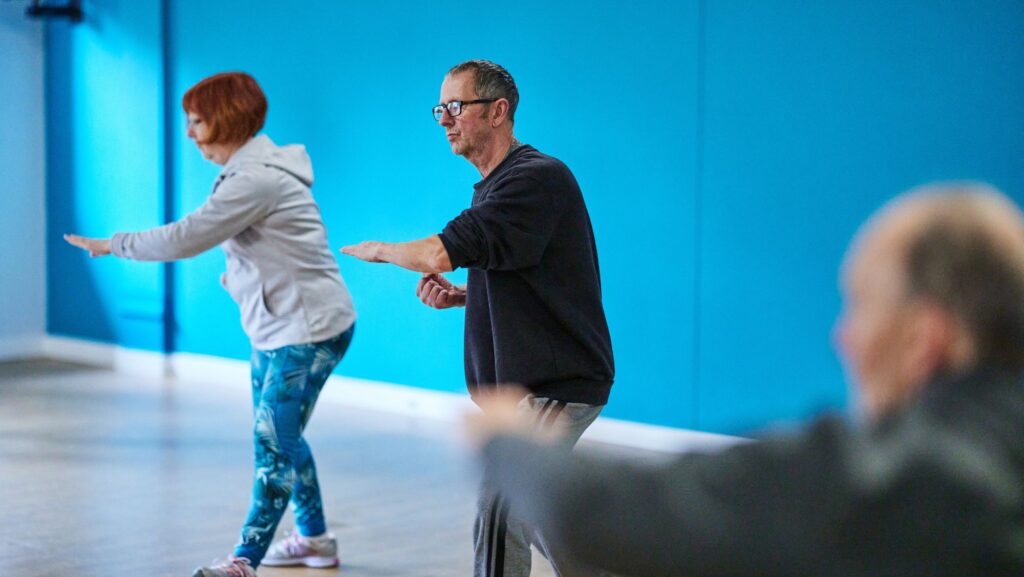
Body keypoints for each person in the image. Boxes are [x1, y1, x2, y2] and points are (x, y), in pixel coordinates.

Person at [465, 183, 1024, 576]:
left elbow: (605, 510)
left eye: (862, 307)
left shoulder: (906, 482)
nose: (843, 338)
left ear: (927, 337)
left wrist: (506, 440)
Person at [64, 71, 357, 577]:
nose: (189, 132)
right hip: (278, 325)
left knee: (273, 442)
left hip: (308, 329)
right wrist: (240, 279)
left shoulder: (256, 178)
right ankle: (314, 540)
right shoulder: (248, 174)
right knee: (280, 436)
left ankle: (244, 560)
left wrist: (114, 244)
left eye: (196, 121)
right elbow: (267, 248)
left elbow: (187, 236)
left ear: (225, 119)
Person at [341, 59, 615, 577]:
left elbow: (439, 251)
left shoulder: (535, 180)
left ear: (498, 111)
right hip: (529, 385)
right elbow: (534, 276)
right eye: (439, 108)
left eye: (455, 107)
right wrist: (466, 296)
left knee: (501, 505)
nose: (444, 119)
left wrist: (382, 250)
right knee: (535, 513)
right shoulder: (499, 185)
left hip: (557, 383)